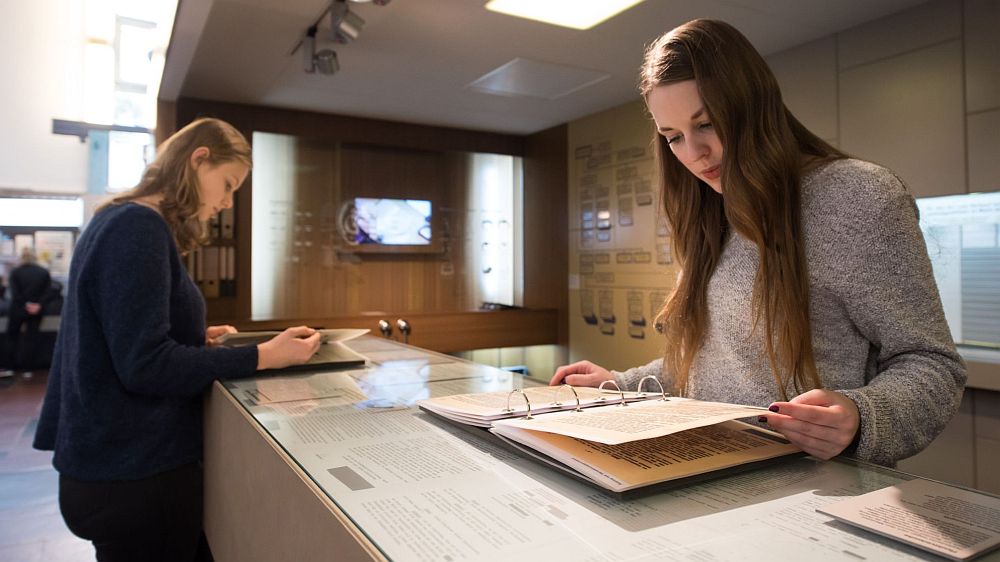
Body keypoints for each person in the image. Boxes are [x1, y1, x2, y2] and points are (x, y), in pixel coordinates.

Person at [550, 19, 965, 468]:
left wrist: (861, 418)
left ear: (752, 106)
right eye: (672, 138)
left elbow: (932, 365)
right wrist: (618, 383)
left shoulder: (857, 197)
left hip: (817, 494)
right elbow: (712, 367)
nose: (693, 154)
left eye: (705, 124)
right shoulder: (710, 209)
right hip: (708, 478)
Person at [32, 117, 323, 561]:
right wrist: (263, 355)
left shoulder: (118, 220)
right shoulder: (138, 227)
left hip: (112, 468)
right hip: (133, 473)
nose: (227, 202)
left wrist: (193, 337)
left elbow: (120, 336)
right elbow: (145, 365)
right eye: (227, 185)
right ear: (198, 159)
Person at [1, 248, 51, 377]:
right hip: (36, 310)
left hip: (17, 309)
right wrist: (38, 305)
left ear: (21, 257)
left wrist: (25, 304)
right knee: (31, 338)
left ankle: (9, 367)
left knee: (12, 338)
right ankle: (28, 369)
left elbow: (15, 292)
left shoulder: (15, 272)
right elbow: (47, 292)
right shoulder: (43, 272)